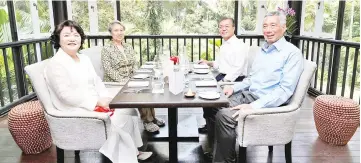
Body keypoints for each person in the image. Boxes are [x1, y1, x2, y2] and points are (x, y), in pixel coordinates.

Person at [44, 20, 152, 163]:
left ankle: (134, 151)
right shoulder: (56, 64)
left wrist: (105, 98)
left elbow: (97, 81)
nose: (72, 38)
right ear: (58, 39)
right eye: (66, 35)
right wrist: (96, 102)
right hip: (76, 110)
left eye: (76, 35)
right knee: (119, 116)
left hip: (94, 102)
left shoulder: (83, 58)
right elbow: (65, 96)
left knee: (127, 109)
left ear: (81, 38)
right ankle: (128, 157)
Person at [209, 11, 304, 162]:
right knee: (213, 105)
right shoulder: (263, 50)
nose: (268, 30)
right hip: (248, 94)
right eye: (265, 26)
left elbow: (285, 91)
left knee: (224, 116)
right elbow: (251, 79)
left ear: (284, 27)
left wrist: (253, 106)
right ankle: (220, 150)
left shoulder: (292, 54)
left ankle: (225, 159)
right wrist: (234, 88)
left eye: (273, 25)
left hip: (267, 104)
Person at [101, 20, 165, 133]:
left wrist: (137, 76)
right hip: (116, 83)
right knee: (139, 92)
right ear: (111, 33)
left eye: (121, 30)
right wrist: (125, 82)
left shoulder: (128, 47)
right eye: (116, 30)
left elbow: (134, 64)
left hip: (131, 79)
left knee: (147, 85)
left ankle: (152, 117)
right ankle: (147, 121)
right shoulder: (107, 49)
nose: (119, 33)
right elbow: (108, 70)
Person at [199, 17, 250, 157]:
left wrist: (221, 84)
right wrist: (208, 63)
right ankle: (210, 125)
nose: (223, 29)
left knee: (211, 98)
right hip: (223, 77)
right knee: (204, 94)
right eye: (220, 26)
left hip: (234, 81)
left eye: (226, 26)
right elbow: (221, 65)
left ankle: (216, 135)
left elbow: (237, 69)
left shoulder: (239, 46)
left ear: (234, 28)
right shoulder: (225, 44)